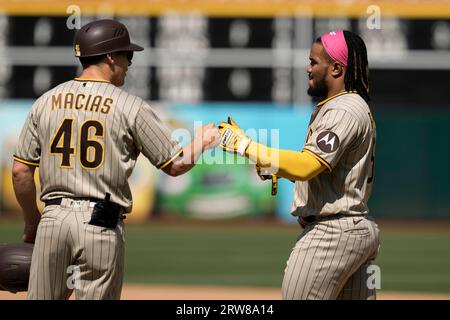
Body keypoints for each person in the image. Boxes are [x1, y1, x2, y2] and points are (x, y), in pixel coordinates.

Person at [11, 19, 220, 300]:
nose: (130, 63)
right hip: (100, 222)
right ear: (110, 56)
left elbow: (20, 173)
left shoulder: (46, 101)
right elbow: (175, 164)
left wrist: (32, 221)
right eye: (127, 54)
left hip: (53, 220)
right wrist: (203, 141)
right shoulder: (129, 106)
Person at [218, 30, 380, 300]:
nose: (308, 68)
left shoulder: (344, 109)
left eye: (315, 62)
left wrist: (246, 146)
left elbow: (306, 165)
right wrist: (274, 167)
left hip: (330, 236)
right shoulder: (346, 106)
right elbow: (324, 172)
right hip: (352, 229)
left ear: (337, 69)